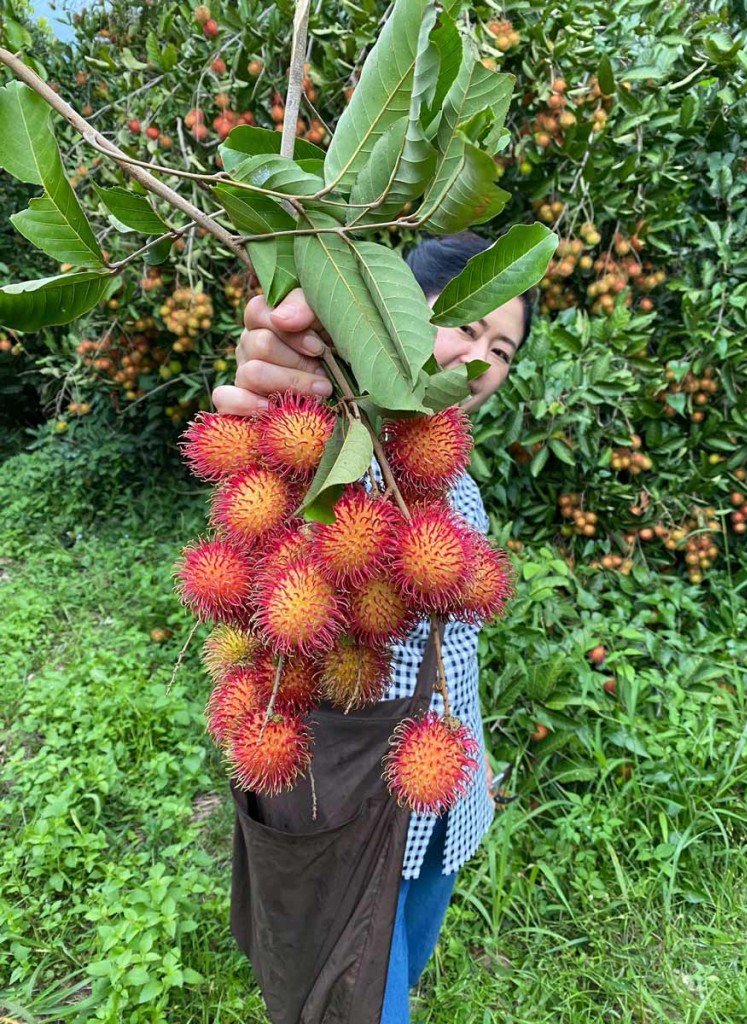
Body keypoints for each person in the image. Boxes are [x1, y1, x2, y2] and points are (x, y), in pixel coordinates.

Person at [213, 231, 533, 1023]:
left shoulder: (447, 469)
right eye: (468, 324)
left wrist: (476, 761)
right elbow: (278, 414)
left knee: (404, 964)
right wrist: (298, 360)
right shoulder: (327, 434)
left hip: (446, 803)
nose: (483, 357)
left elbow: (455, 641)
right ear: (398, 306)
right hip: (345, 809)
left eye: (503, 348)